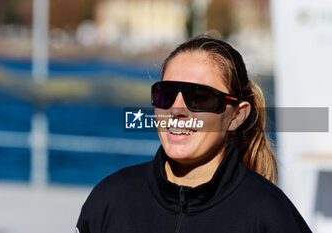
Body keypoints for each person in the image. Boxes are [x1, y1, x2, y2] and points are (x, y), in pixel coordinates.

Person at [76, 35, 312, 233]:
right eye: (166, 94)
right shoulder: (110, 200)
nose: (177, 109)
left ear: (237, 116)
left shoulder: (270, 215)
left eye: (199, 97)